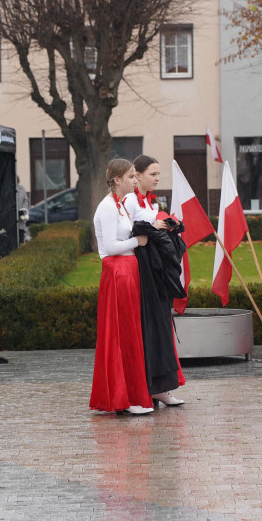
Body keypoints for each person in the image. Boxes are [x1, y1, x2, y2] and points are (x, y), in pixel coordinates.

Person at [90, 159, 154, 415]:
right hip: (117, 272)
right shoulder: (107, 207)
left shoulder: (120, 207)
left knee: (130, 333)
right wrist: (137, 242)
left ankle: (129, 396)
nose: (135, 180)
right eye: (130, 176)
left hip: (127, 272)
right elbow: (107, 248)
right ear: (117, 180)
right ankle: (124, 398)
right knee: (122, 334)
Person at [124, 155, 187, 407]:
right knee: (149, 326)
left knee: (162, 323)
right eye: (153, 173)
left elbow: (151, 227)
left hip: (158, 269)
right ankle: (147, 387)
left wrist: (168, 226)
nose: (157, 177)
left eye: (158, 173)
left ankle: (162, 387)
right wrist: (153, 226)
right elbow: (126, 231)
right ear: (137, 175)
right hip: (142, 270)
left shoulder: (152, 202)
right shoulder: (129, 201)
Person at [16, 176, 31, 245]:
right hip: (10, 219)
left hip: (20, 218)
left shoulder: (21, 188)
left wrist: (23, 209)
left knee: (20, 236)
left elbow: (26, 200)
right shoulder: (6, 188)